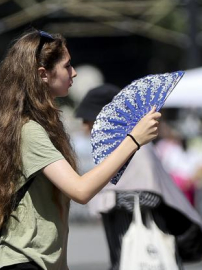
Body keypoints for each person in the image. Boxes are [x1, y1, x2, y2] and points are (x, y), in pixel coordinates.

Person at [0, 29, 161, 270]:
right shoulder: (29, 131)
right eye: (67, 66)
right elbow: (80, 190)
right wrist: (133, 140)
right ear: (43, 75)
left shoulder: (35, 126)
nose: (74, 72)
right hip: (23, 261)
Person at [75, 84, 202, 270]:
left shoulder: (136, 145)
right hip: (123, 246)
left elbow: (150, 196)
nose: (85, 127)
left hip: (147, 246)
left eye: (88, 120)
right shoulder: (115, 148)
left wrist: (107, 196)